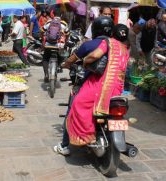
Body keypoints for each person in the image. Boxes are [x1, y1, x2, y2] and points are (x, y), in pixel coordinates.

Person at [54, 17, 129, 154]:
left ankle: (67, 144)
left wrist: (79, 62)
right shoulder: (123, 48)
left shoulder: (102, 43)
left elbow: (90, 56)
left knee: (75, 106)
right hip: (117, 90)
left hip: (98, 84)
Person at [41, 9, 69, 83]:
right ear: (61, 15)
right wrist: (65, 42)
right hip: (59, 45)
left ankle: (46, 74)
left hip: (48, 45)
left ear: (53, 14)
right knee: (61, 56)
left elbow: (42, 30)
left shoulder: (49, 22)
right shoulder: (64, 24)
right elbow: (67, 33)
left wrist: (42, 40)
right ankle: (59, 66)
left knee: (45, 58)